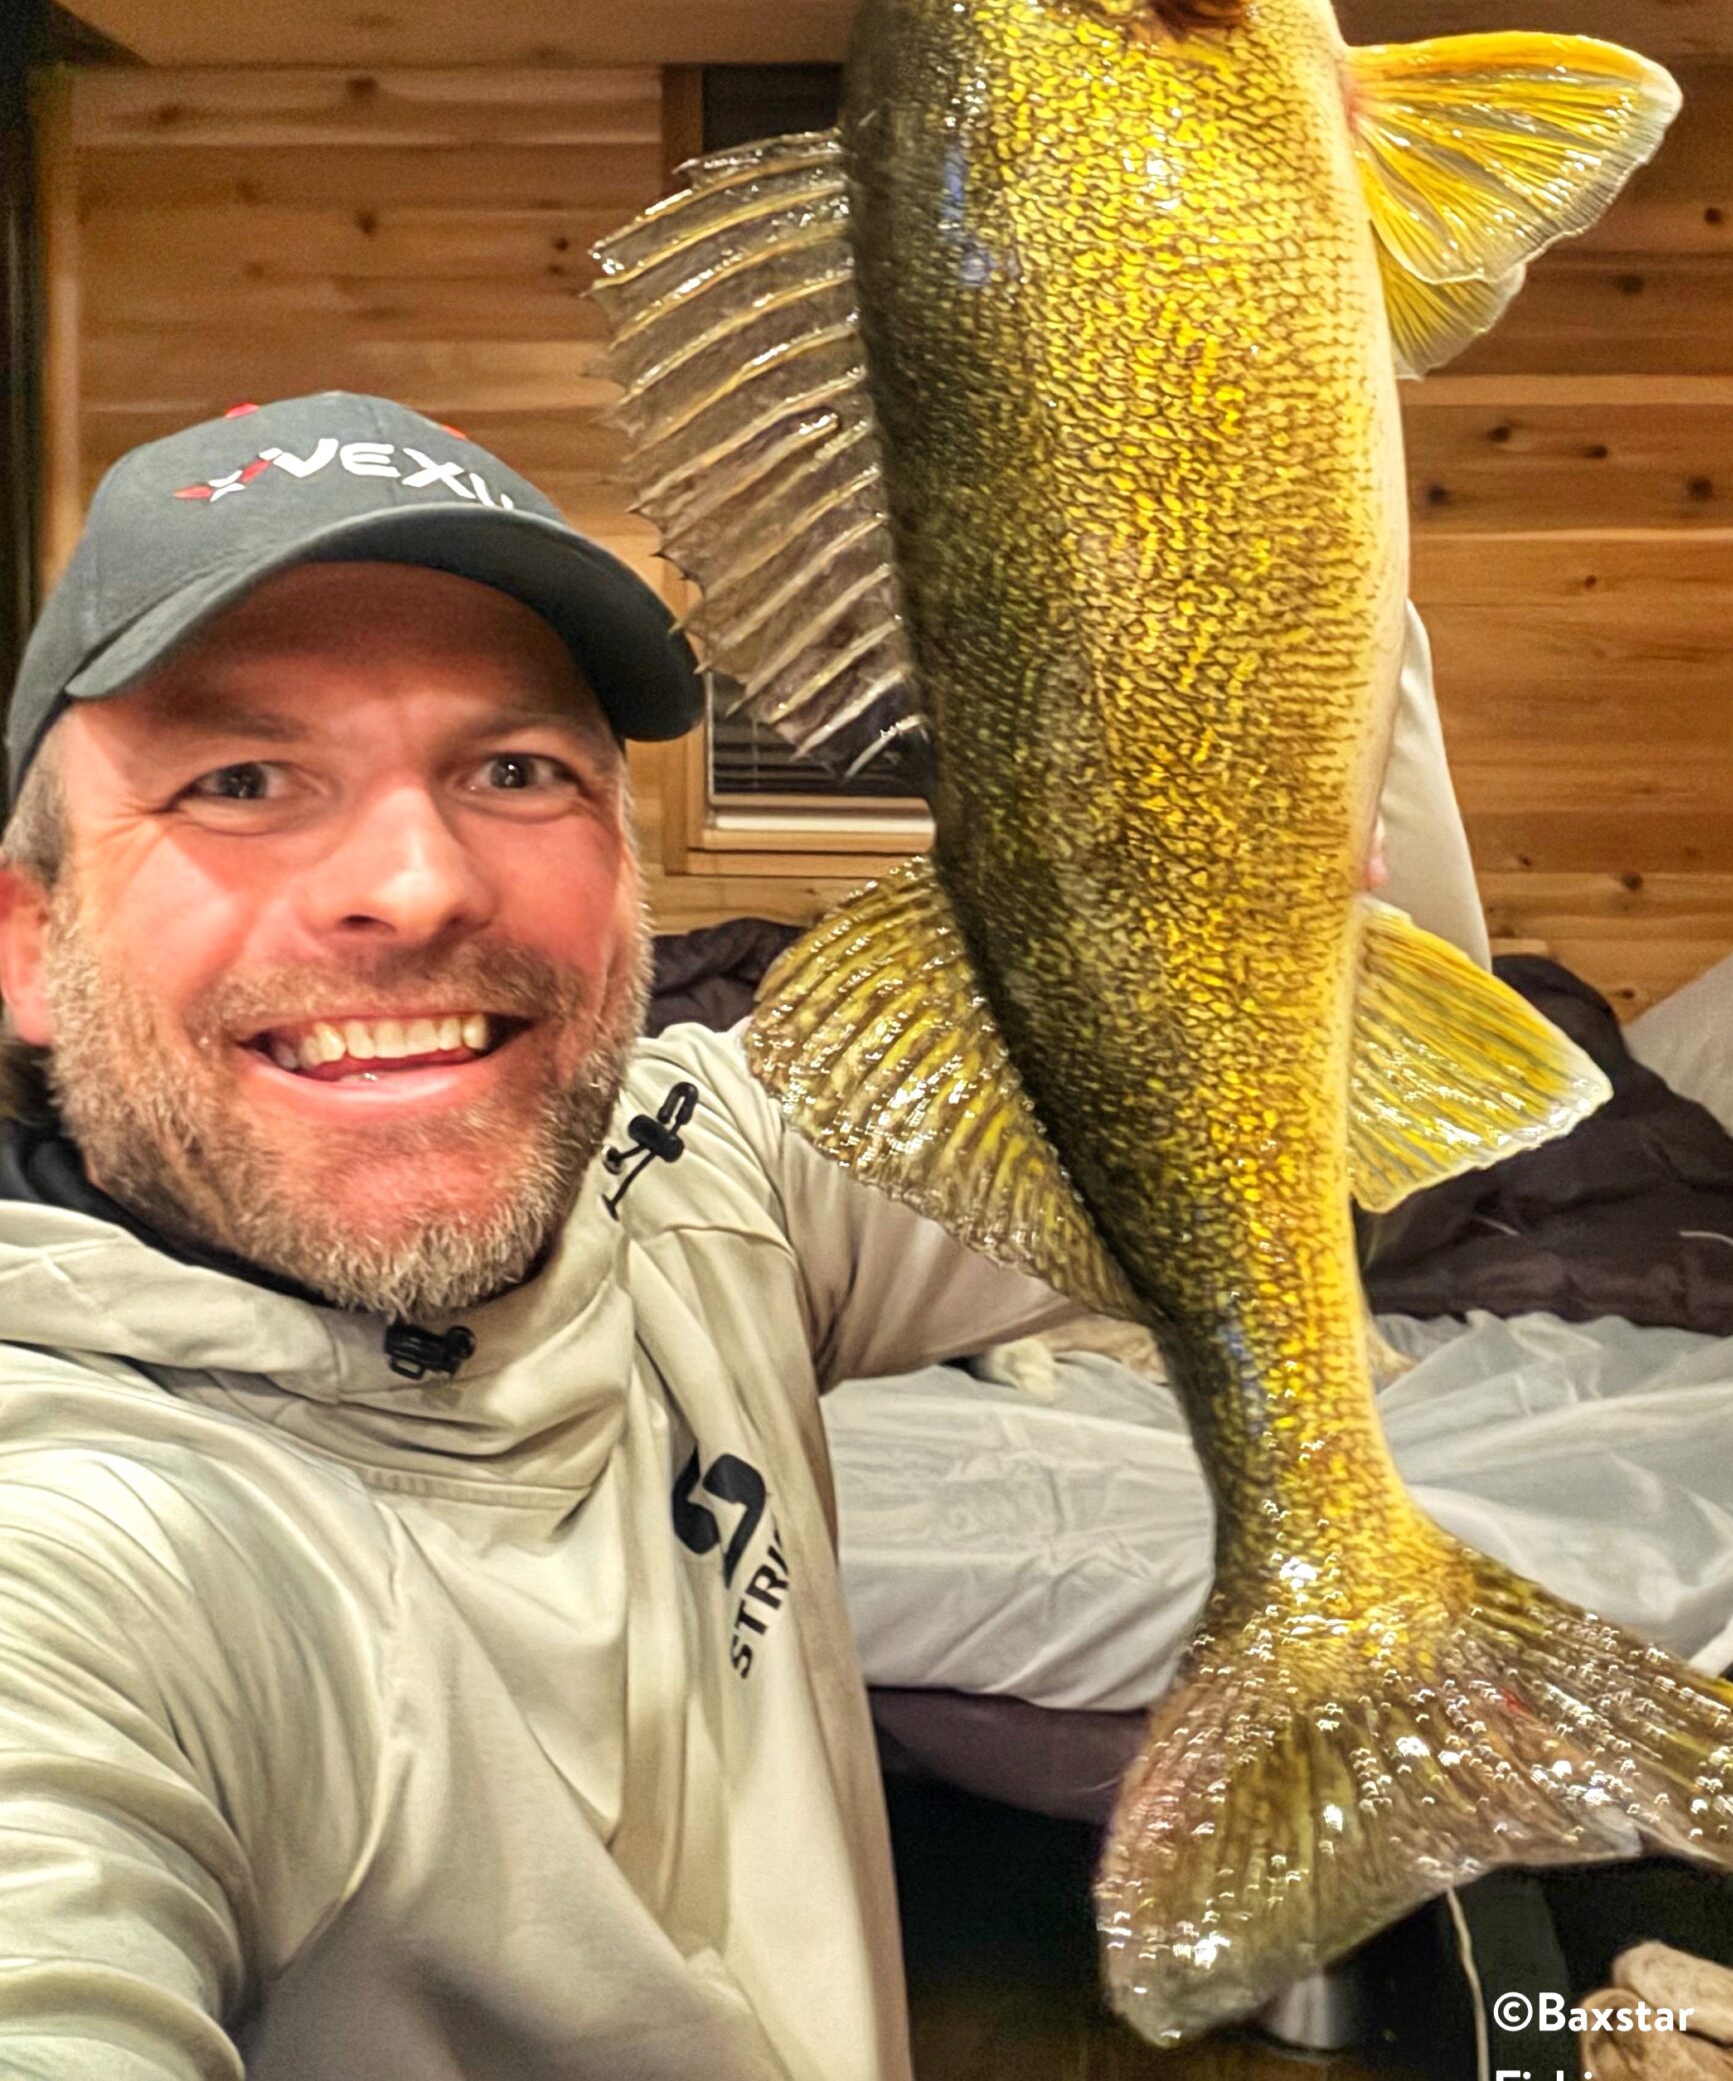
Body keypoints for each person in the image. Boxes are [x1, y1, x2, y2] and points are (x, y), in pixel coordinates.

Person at [0, 391, 1486, 2081]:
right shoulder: (70, 1550)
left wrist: (1274, 412)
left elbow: (1323, 1082)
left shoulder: (704, 1172)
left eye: (512, 770)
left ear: (630, 875)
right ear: (34, 944)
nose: (415, 883)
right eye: (243, 779)